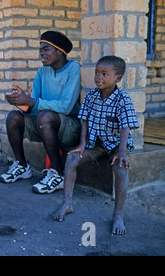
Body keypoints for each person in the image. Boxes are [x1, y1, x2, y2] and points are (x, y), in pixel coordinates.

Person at [53, 56, 139, 235]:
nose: (99, 77)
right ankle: (67, 204)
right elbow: (83, 120)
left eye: (105, 74)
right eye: (97, 73)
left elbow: (125, 127)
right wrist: (83, 144)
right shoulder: (91, 95)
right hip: (95, 144)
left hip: (116, 145)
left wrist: (122, 151)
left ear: (118, 78)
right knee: (72, 158)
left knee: (121, 169)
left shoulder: (123, 99)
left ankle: (118, 215)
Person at [2, 31, 81, 194]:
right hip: (44, 123)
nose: (42, 54)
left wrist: (33, 102)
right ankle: (22, 166)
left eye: (46, 49)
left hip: (70, 127)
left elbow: (66, 107)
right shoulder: (42, 72)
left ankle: (58, 174)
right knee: (13, 117)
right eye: (40, 50)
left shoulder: (74, 69)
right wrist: (22, 103)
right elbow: (34, 104)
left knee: (44, 116)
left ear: (59, 51)